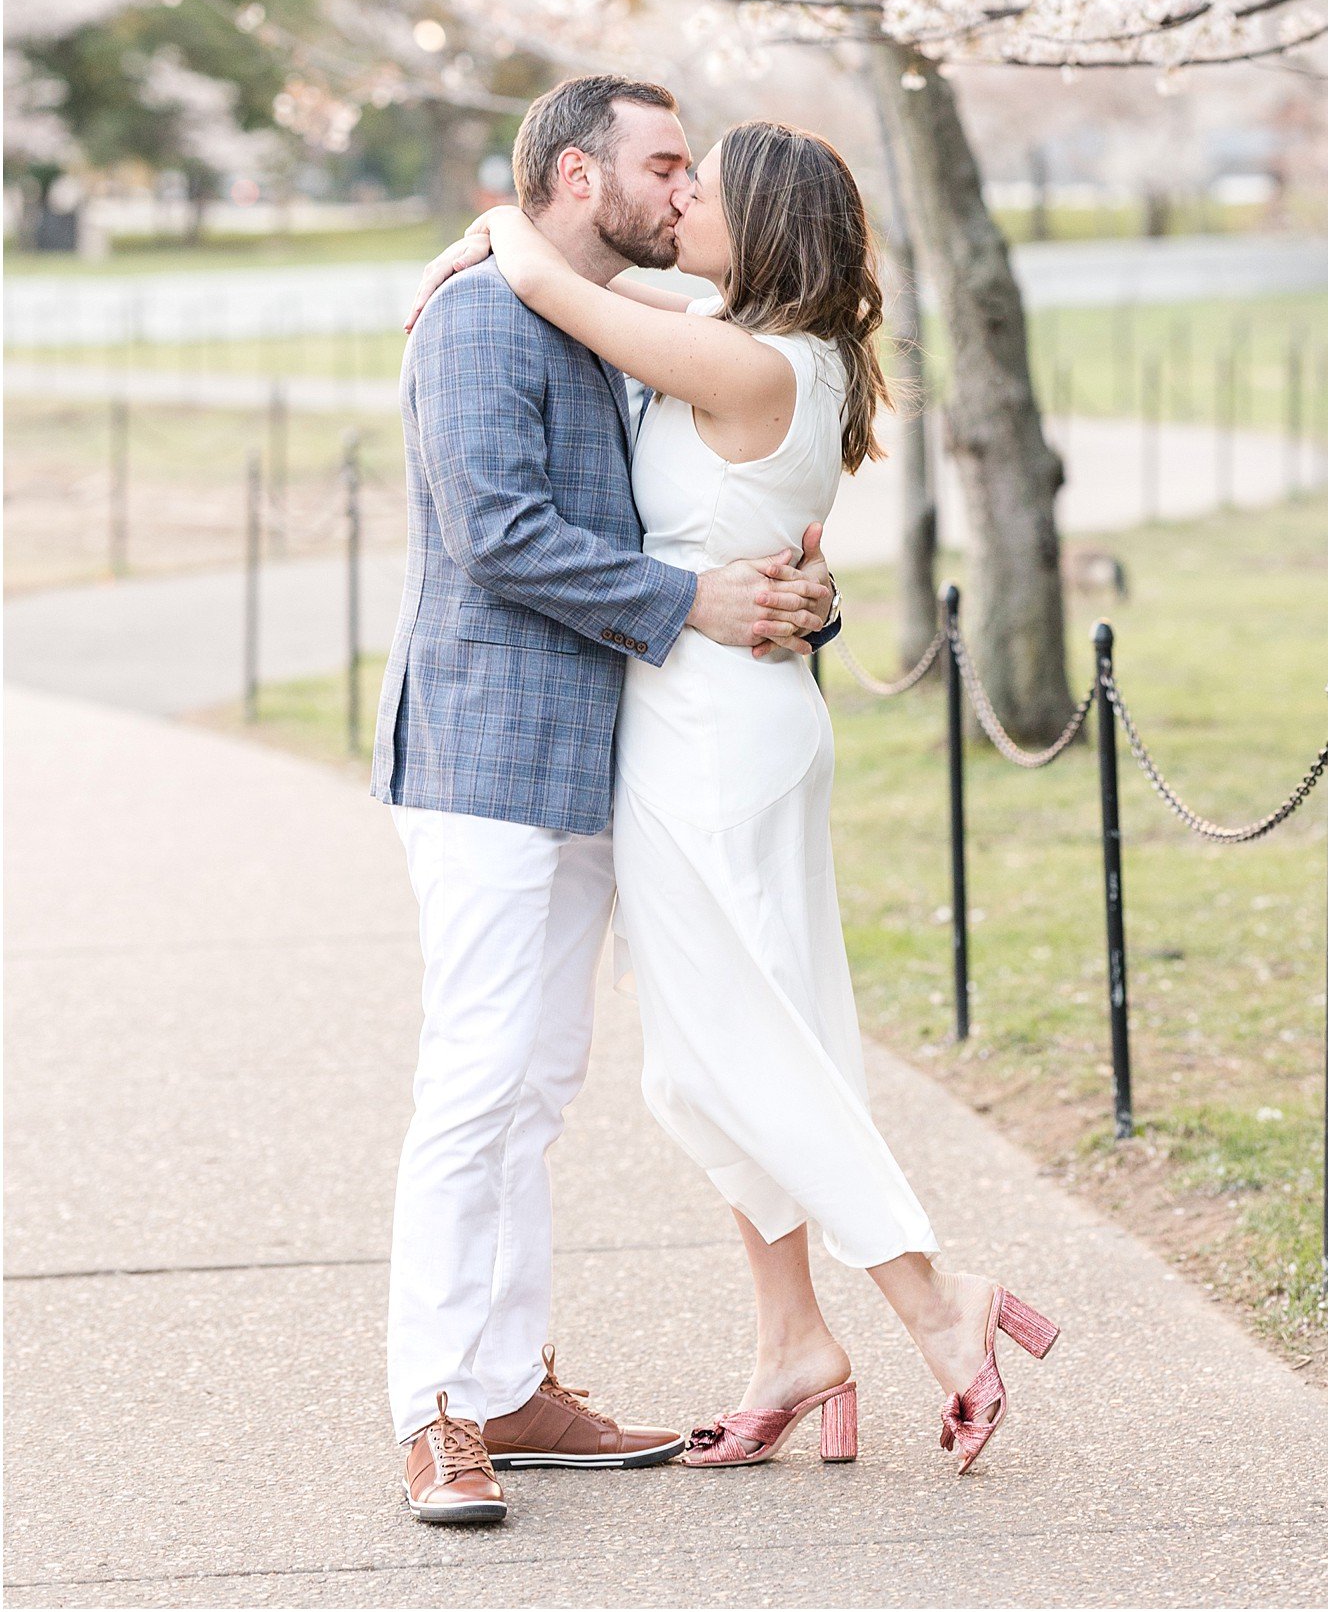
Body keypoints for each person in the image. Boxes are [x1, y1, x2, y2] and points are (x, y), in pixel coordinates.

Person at [408, 109, 1060, 1488]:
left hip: (708, 740)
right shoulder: (775, 349)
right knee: (745, 1043)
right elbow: (603, 343)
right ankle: (790, 1344)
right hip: (725, 723)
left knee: (737, 1051)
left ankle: (939, 1309)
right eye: (667, 170)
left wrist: (502, 228)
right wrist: (513, 232)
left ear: (757, 223)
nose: (682, 195)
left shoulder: (736, 356)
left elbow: (553, 285)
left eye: (699, 185)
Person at [377, 75, 839, 1526]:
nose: (685, 187)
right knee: (476, 1081)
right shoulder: (474, 321)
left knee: (537, 1086)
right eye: (664, 162)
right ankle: (436, 1407)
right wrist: (692, 601)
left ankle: (509, 1381)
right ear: (577, 176)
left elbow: (705, 515)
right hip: (492, 755)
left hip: (607, 763)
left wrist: (789, 601)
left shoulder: (632, 340)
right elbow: (498, 532)